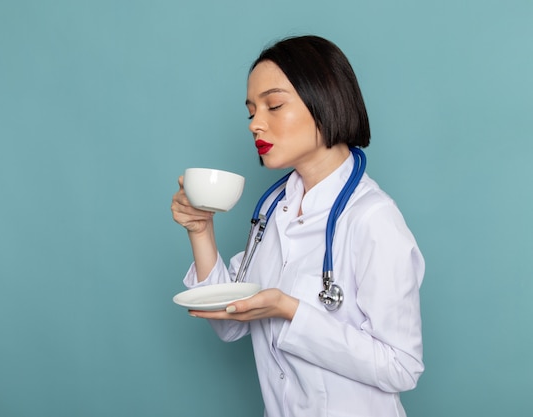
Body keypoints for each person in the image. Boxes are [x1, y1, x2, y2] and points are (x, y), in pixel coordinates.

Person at [171, 35, 424, 417]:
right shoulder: (276, 211)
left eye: (273, 105)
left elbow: (401, 367)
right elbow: (231, 324)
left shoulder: (372, 219)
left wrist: (292, 311)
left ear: (324, 100)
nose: (256, 124)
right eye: (251, 111)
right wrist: (201, 230)